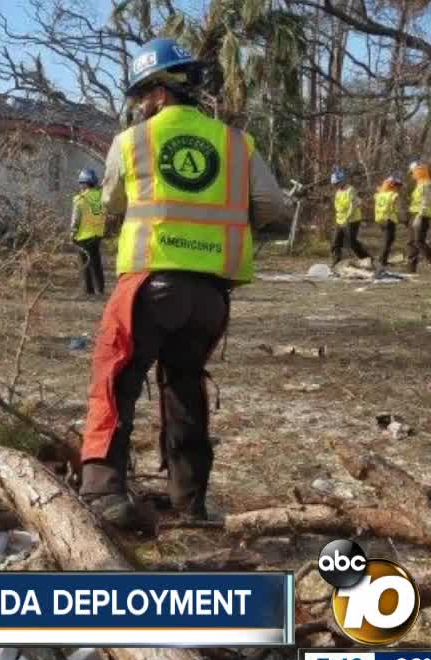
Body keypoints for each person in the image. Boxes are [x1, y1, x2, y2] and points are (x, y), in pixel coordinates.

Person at [78, 38, 291, 528]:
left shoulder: (133, 142)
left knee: (114, 380)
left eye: (139, 97)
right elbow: (274, 206)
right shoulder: (237, 144)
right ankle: (190, 502)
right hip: (210, 297)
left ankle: (102, 491)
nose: (137, 106)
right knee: (185, 386)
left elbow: (110, 203)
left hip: (150, 284)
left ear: (156, 93)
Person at [70, 168, 108, 296]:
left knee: (85, 264)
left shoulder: (80, 199)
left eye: (81, 183)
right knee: (96, 263)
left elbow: (76, 220)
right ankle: (100, 289)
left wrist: (72, 233)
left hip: (83, 237)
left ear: (85, 184)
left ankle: (89, 290)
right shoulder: (101, 195)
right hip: (97, 234)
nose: (80, 185)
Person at [330, 169, 370, 267]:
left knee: (352, 243)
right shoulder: (338, 191)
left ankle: (367, 260)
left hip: (352, 220)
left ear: (342, 181)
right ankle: (336, 264)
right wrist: (340, 219)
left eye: (337, 183)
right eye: (334, 184)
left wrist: (347, 218)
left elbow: (353, 205)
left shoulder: (350, 190)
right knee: (336, 243)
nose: (335, 185)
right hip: (340, 221)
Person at [373, 175, 406, 269]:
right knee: (387, 241)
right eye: (397, 186)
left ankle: (382, 260)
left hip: (380, 219)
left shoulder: (379, 194)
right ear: (393, 185)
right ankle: (382, 261)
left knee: (385, 240)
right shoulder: (393, 195)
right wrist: (404, 219)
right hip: (389, 220)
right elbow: (398, 209)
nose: (399, 188)